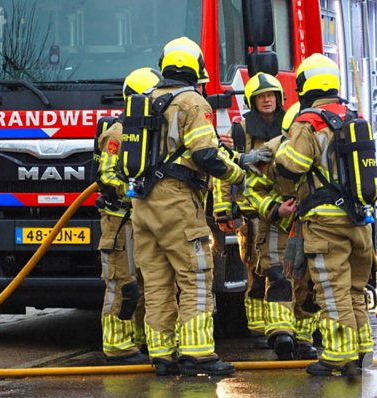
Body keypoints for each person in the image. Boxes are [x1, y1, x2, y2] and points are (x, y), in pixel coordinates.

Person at [129, 37, 251, 376]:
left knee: (156, 283)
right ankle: (198, 354)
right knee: (195, 276)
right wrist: (237, 173)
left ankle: (162, 355)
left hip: (143, 204)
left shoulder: (145, 100)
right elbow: (205, 155)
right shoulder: (192, 102)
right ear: (196, 69)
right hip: (177, 203)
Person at [273, 54, 375, 377]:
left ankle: (338, 356)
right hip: (359, 220)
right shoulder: (353, 118)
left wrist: (279, 147)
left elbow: (291, 166)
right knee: (355, 290)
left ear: (304, 86)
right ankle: (362, 350)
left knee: (332, 291)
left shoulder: (309, 122)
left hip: (326, 222)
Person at [242, 102, 319, 361]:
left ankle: (304, 339)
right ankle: (281, 333)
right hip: (278, 226)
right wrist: (276, 209)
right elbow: (251, 187)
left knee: (310, 284)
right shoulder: (271, 150)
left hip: (315, 225)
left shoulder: (323, 146)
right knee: (279, 278)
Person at [214, 73, 286, 348]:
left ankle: (283, 323)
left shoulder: (292, 125)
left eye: (271, 96)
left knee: (285, 269)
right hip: (251, 211)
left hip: (285, 209)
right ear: (252, 101)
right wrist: (223, 211)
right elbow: (224, 172)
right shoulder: (240, 130)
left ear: (279, 98)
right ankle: (258, 328)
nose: (267, 100)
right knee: (256, 270)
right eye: (260, 97)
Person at [97, 67, 162, 365]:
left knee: (148, 284)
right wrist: (136, 189)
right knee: (123, 284)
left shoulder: (152, 133)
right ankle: (118, 346)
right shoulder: (117, 133)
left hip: (145, 220)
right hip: (120, 222)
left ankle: (140, 340)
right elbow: (108, 176)